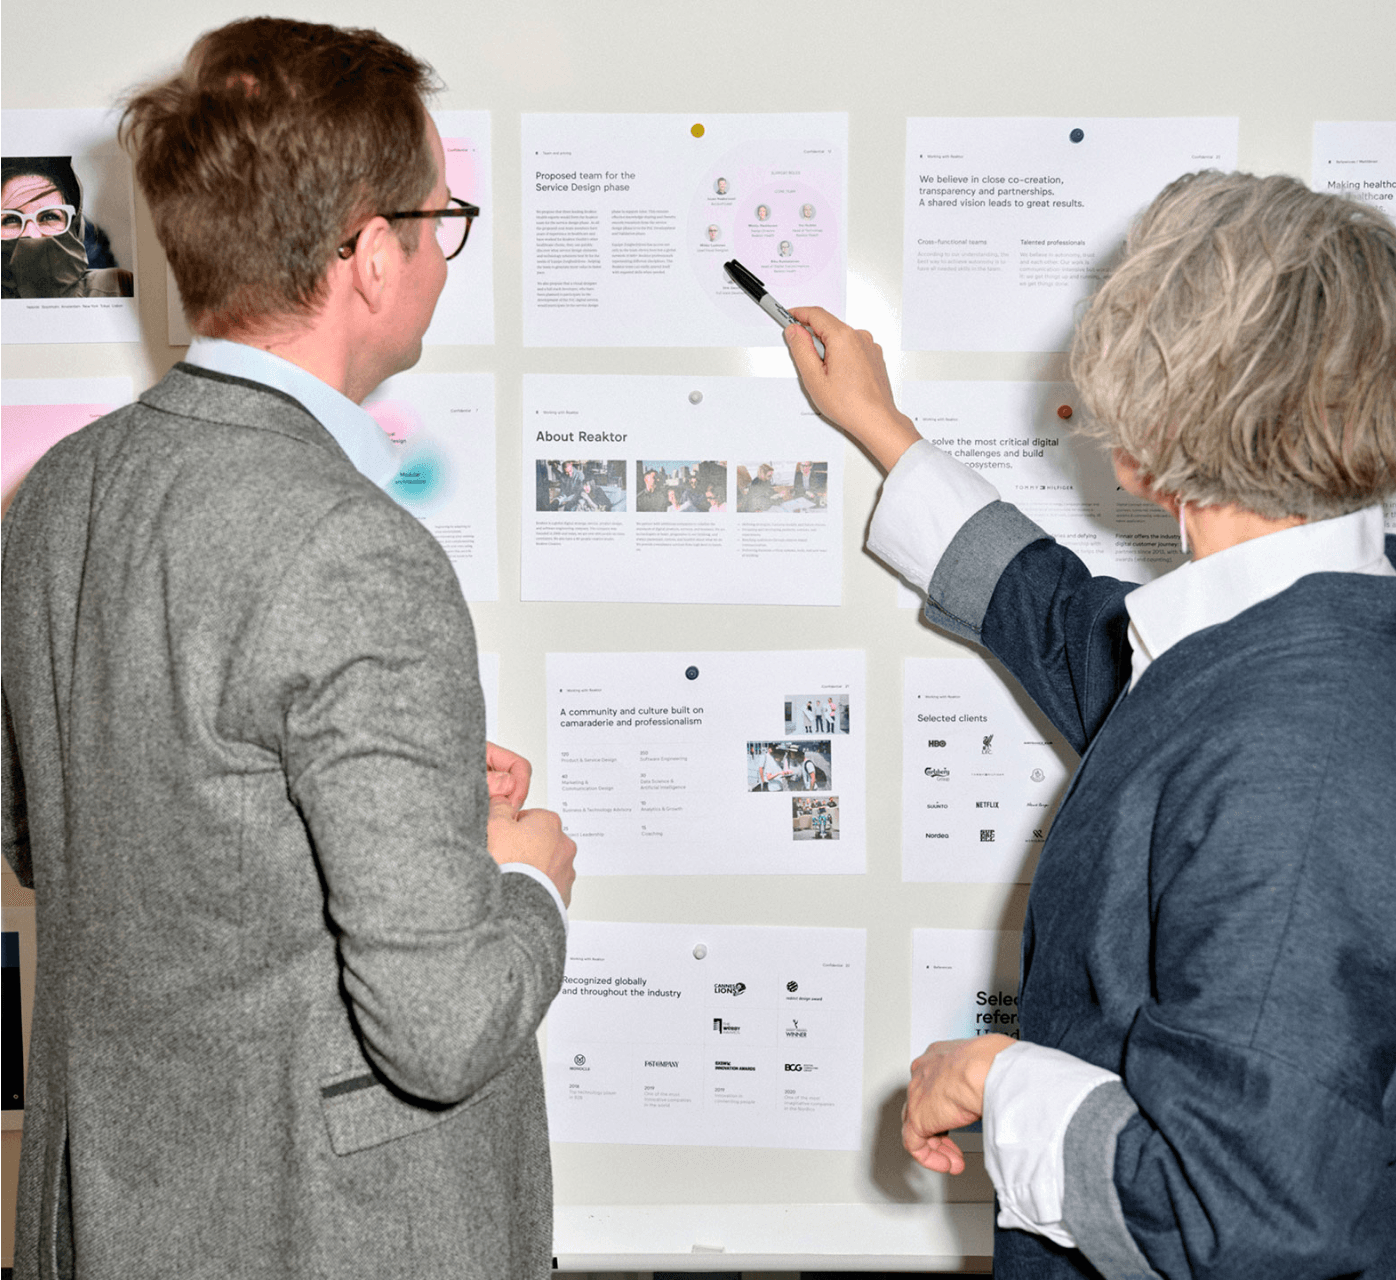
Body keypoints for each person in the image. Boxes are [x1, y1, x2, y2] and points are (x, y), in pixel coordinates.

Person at [1, 19, 577, 1279]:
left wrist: (394, 801)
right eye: (442, 217)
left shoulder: (57, 493)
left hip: (117, 1217)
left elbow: (58, 837)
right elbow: (438, 1028)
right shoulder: (351, 549)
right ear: (373, 255)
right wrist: (527, 883)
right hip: (329, 1233)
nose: (443, 248)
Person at [783, 171, 1396, 1278]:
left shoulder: (1287, 756)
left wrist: (996, 1075)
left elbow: (1242, 1212)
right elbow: (1079, 635)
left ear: (1138, 447)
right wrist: (884, 431)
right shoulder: (1323, 631)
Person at [2, 156, 133, 298]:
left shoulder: (113, 288)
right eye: (11, 219)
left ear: (73, 224)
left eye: (49, 217)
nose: (31, 234)